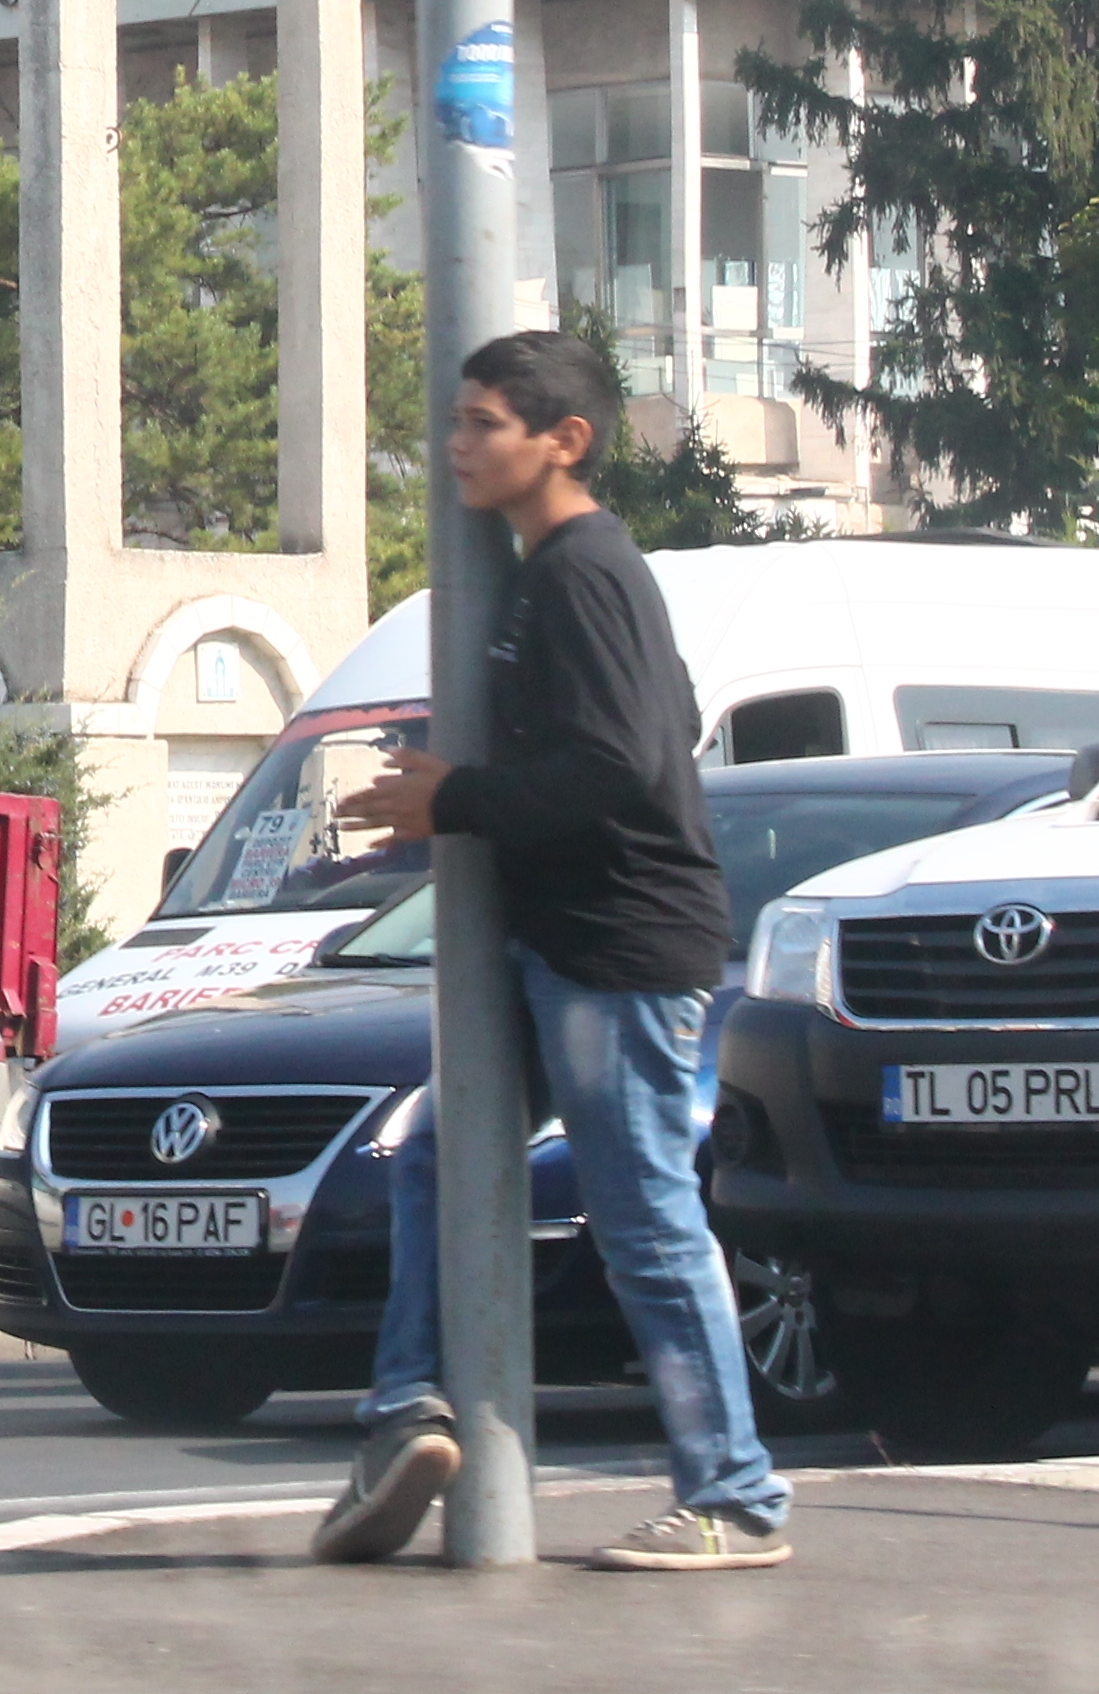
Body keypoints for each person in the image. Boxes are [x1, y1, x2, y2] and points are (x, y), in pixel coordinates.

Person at [312, 328, 790, 1574]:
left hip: (618, 947)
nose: (456, 447)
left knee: (645, 1221)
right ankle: (406, 1410)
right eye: (457, 422)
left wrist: (454, 798)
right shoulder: (548, 573)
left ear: (562, 439)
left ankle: (736, 1498)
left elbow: (626, 761)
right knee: (430, 1159)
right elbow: (667, 714)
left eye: (482, 424)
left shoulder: (584, 569)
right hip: (553, 944)